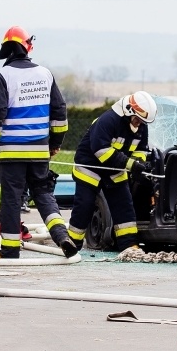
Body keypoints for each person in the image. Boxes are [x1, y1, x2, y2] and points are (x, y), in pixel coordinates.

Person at [0, 26, 77, 259]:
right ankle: (62, 236)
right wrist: (54, 143)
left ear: (6, 50)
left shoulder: (1, 76)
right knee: (44, 194)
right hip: (39, 150)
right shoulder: (45, 74)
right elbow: (60, 112)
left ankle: (11, 248)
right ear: (27, 46)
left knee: (12, 199)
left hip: (12, 151)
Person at [66, 91, 156, 252]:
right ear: (129, 111)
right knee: (84, 206)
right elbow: (101, 150)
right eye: (137, 120)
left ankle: (129, 245)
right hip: (90, 168)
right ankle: (72, 244)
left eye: (142, 121)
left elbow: (141, 149)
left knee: (124, 206)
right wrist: (130, 164)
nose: (139, 124)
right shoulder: (108, 120)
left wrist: (139, 162)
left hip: (115, 169)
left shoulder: (142, 126)